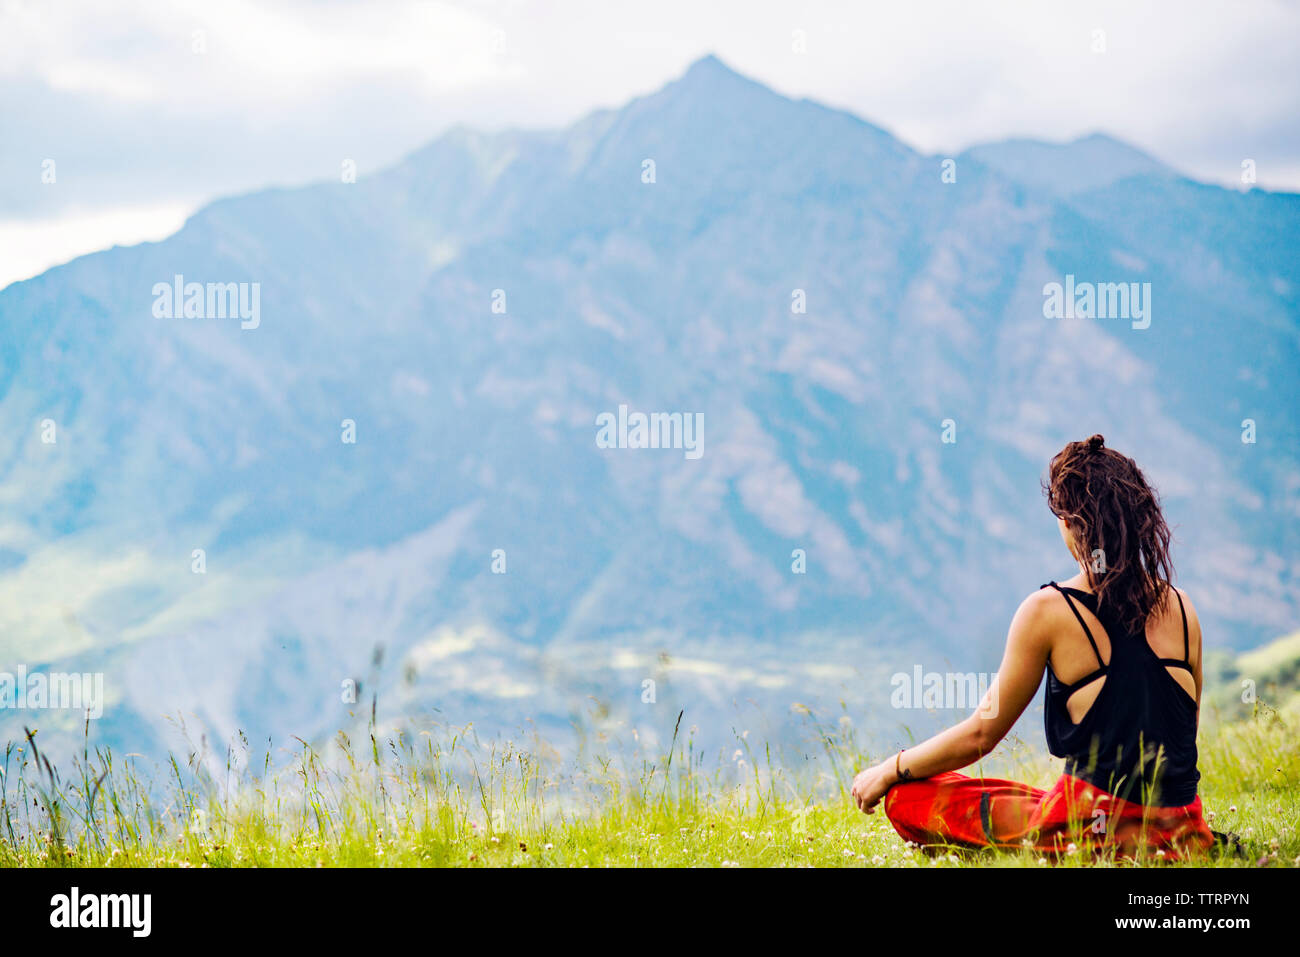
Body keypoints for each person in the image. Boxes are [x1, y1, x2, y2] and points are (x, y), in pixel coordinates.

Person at [850, 434, 1215, 860]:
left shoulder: (1048, 609)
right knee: (1022, 795)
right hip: (1183, 834)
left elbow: (981, 735)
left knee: (909, 797)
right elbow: (1181, 738)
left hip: (1093, 833)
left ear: (1066, 520)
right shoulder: (1183, 607)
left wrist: (889, 769)